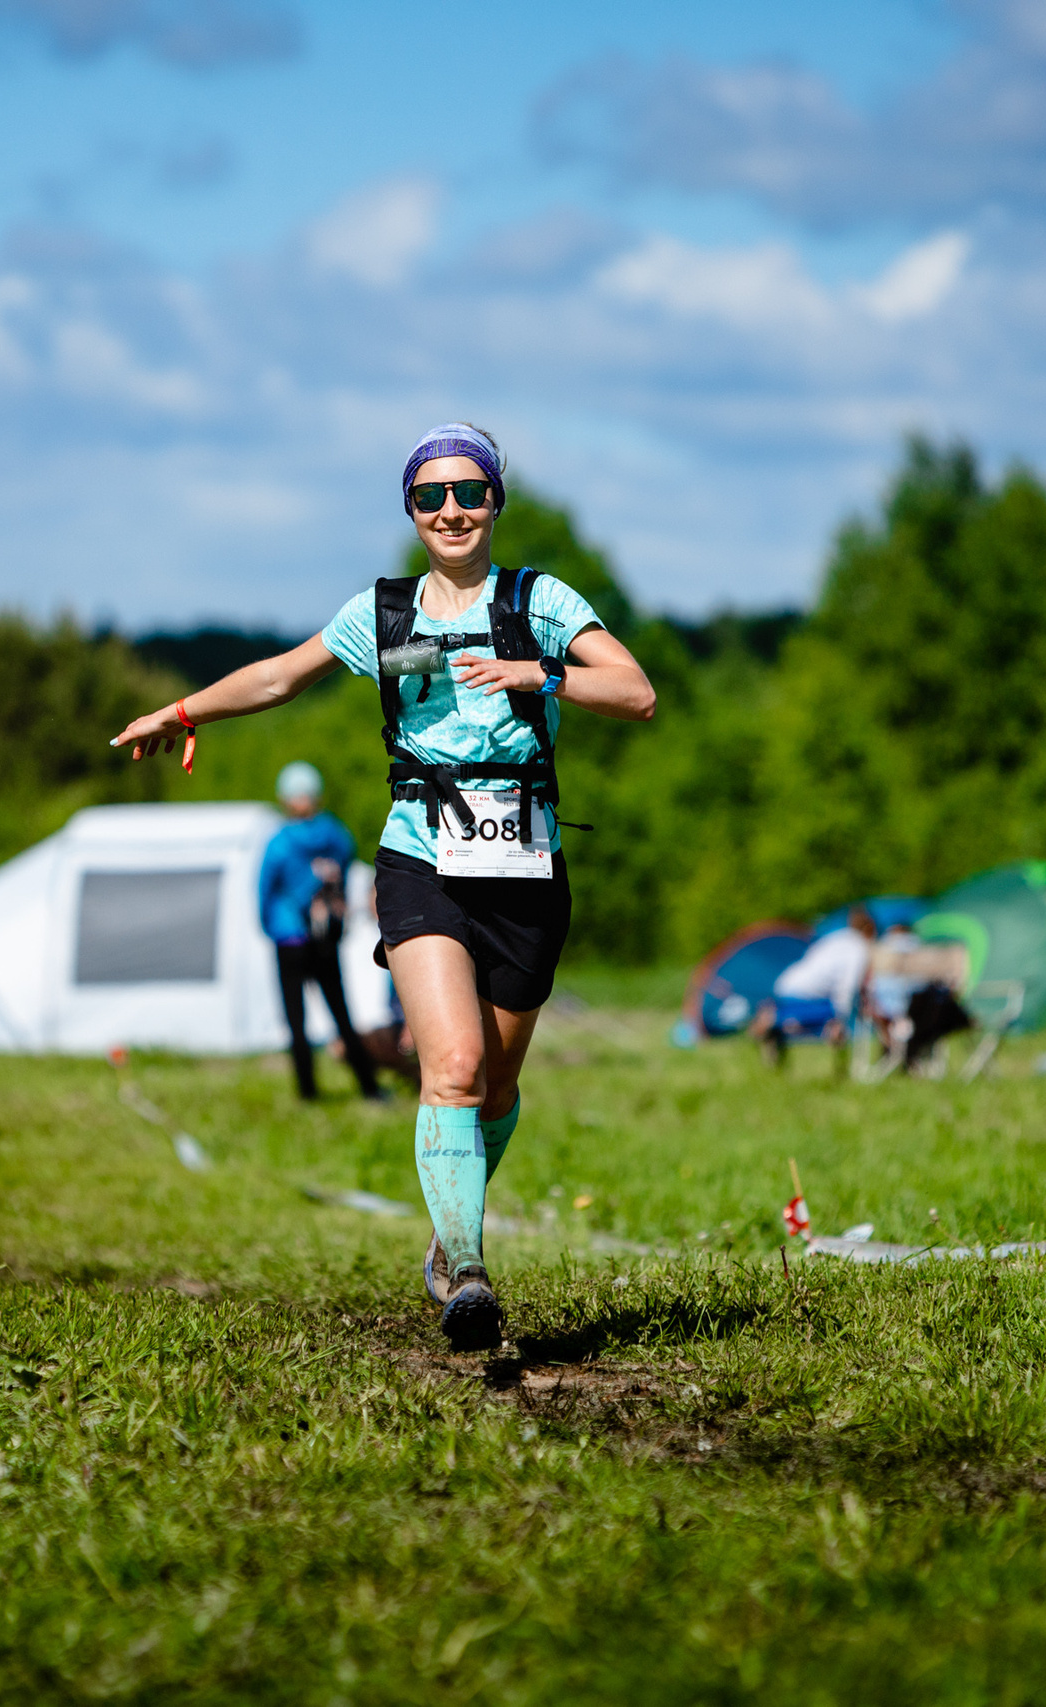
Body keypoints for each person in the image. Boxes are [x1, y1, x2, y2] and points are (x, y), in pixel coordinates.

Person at [111, 423, 656, 1350]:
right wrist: (186, 706)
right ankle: (466, 1266)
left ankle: (451, 1237)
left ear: (496, 502)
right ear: (410, 510)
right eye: (431, 496)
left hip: (526, 866)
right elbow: (283, 676)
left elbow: (636, 693)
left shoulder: (541, 599)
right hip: (421, 857)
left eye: (469, 492)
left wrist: (539, 672)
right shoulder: (385, 613)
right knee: (450, 1066)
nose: (451, 510)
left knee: (494, 1087)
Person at [257, 760, 383, 1103]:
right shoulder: (335, 834)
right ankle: (369, 1088)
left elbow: (265, 892)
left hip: (290, 938)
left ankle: (307, 1092)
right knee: (341, 1012)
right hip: (325, 936)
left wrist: (272, 928)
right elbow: (344, 870)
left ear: (284, 798)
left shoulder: (279, 842)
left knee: (295, 1020)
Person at [756, 908, 877, 1067]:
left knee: (815, 1014)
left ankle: (776, 1017)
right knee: (834, 1016)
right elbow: (847, 987)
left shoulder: (835, 937)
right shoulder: (858, 949)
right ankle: (778, 1017)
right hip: (808, 994)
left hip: (787, 982)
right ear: (869, 929)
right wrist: (841, 1017)